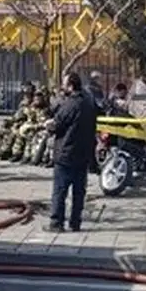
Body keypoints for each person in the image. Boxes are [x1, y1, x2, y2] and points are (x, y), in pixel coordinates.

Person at [45, 72, 99, 233]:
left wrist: (49, 125)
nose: (62, 87)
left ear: (70, 86)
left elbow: (59, 123)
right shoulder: (89, 102)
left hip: (66, 153)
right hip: (83, 154)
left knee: (60, 190)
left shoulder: (71, 104)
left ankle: (56, 223)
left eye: (64, 83)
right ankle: (75, 222)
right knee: (78, 192)